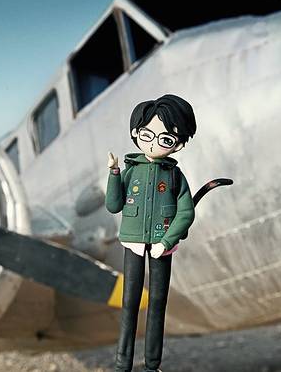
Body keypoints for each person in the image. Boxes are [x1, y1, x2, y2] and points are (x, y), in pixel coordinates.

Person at [106, 94, 197, 372]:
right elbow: (114, 205)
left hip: (162, 245)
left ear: (178, 144)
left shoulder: (175, 176)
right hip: (133, 242)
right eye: (147, 135)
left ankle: (152, 365)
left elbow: (186, 213)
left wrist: (167, 240)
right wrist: (114, 174)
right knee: (129, 302)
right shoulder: (130, 171)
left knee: (158, 302)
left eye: (166, 139)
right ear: (136, 133)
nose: (155, 142)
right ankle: (122, 364)